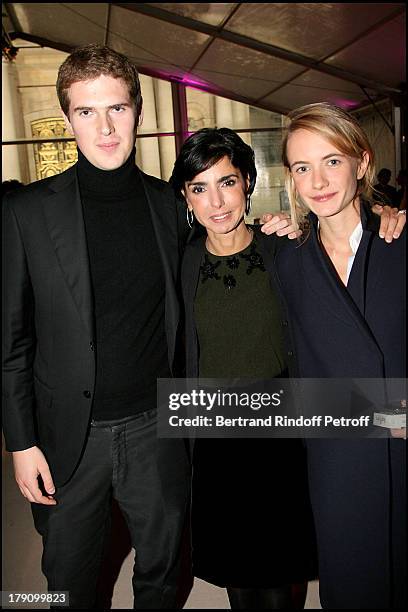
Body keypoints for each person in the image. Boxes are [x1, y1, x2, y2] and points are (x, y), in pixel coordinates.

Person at [2, 44, 193, 610]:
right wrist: (21, 442)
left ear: (137, 109)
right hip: (68, 437)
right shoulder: (27, 212)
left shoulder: (170, 206)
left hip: (156, 427)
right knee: (67, 581)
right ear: (67, 120)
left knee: (162, 571)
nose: (105, 128)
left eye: (117, 108)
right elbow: (11, 341)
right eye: (87, 112)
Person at [170, 127, 319, 610]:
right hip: (216, 440)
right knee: (238, 573)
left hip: (278, 435)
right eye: (199, 187)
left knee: (278, 574)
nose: (216, 201)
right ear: (186, 197)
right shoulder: (181, 263)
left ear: (248, 182)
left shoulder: (284, 251)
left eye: (227, 182)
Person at [277, 102, 406, 609]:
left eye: (332, 161)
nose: (319, 180)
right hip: (336, 458)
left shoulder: (399, 242)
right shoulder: (287, 257)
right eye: (302, 167)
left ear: (362, 162)